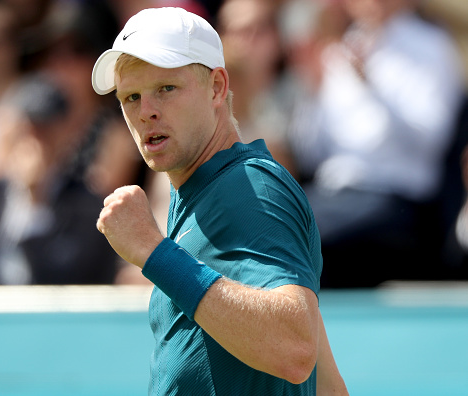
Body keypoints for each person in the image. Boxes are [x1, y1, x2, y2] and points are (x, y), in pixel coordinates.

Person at [92, 7, 347, 394]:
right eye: (131, 97)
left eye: (166, 88)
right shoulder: (219, 190)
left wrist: (153, 250)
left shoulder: (250, 187)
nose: (146, 112)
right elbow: (323, 380)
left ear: (216, 87)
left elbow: (294, 350)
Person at [287, 0, 465, 287]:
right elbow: (314, 153)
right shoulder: (342, 47)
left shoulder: (431, 47)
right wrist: (311, 89)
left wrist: (371, 85)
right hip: (333, 194)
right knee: (271, 221)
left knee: (295, 232)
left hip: (396, 199)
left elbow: (430, 140)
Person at [0, 73, 118, 285]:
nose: (35, 140)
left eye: (45, 130)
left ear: (66, 134)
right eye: (27, 128)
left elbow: (75, 276)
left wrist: (36, 202)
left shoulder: (87, 206)